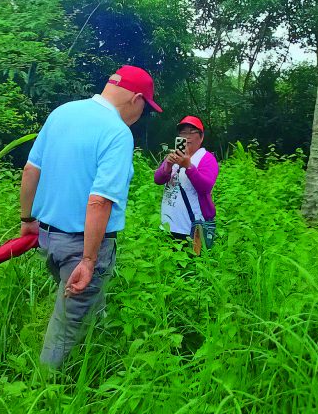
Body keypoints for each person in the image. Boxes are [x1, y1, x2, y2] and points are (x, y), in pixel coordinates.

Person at [18, 65, 160, 368]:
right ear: (136, 99)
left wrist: (27, 220)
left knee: (89, 309)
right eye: (145, 109)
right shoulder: (118, 133)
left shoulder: (62, 113)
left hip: (48, 238)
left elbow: (31, 170)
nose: (141, 116)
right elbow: (98, 201)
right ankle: (41, 396)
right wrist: (88, 260)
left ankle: (100, 362)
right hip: (82, 247)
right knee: (64, 332)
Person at [153, 115, 218, 251]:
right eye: (183, 133)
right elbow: (158, 180)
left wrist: (189, 167)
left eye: (191, 132)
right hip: (168, 224)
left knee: (190, 269)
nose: (187, 136)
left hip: (192, 227)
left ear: (201, 137)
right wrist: (167, 166)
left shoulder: (206, 158)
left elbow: (205, 188)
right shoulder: (174, 155)